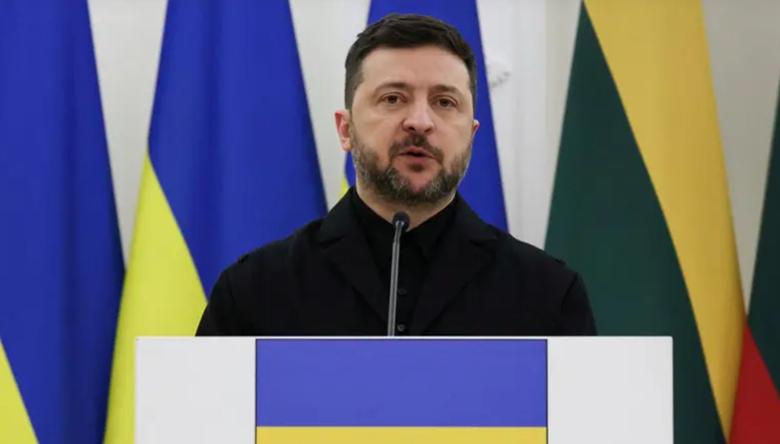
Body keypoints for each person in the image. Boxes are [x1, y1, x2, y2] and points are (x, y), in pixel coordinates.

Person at [196, 13, 596, 336]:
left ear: (471, 135)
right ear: (345, 129)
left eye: (444, 102)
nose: (420, 121)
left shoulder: (548, 295)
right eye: (393, 98)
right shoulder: (255, 291)